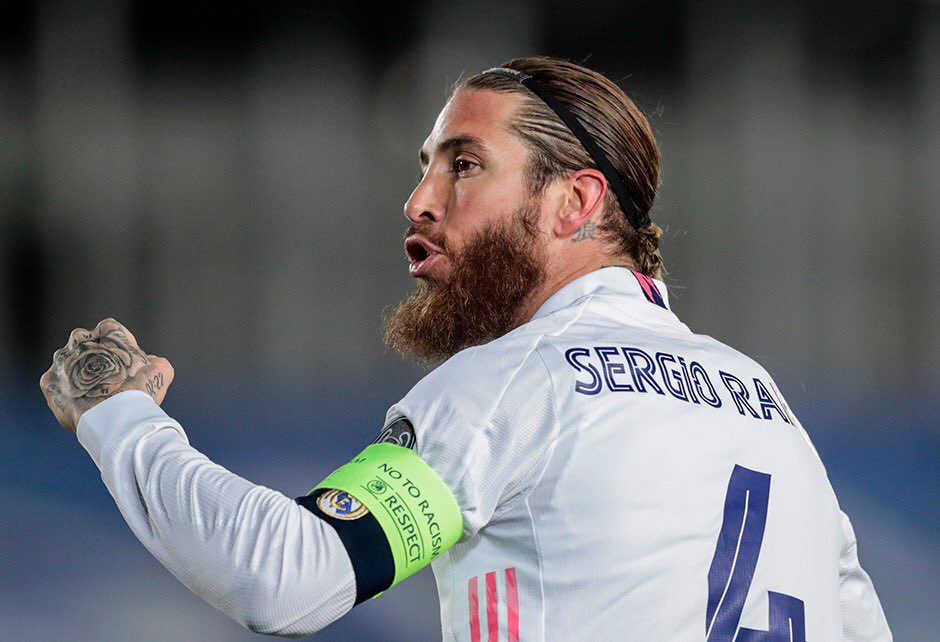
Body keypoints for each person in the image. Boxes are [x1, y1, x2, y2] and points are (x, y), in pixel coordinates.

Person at [39, 56, 891, 641]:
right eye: (426, 166)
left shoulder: (525, 379)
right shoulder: (771, 413)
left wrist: (120, 417)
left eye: (465, 164)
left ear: (573, 203)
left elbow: (285, 575)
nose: (419, 199)